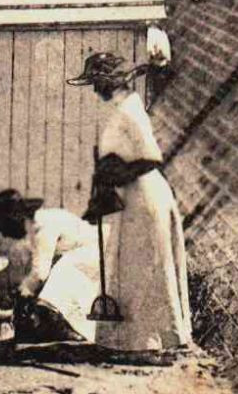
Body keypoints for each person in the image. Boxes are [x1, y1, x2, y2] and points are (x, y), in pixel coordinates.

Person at [69, 52, 191, 352]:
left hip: (145, 193)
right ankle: (130, 340)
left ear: (111, 82)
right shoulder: (122, 107)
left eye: (98, 83)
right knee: (131, 264)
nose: (96, 90)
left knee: (146, 264)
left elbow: (150, 158)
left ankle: (152, 340)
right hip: (133, 196)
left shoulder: (130, 111)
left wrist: (115, 174)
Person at [0, 188, 100, 342]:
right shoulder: (37, 224)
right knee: (53, 281)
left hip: (96, 254)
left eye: (4, 228)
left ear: (16, 219)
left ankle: (71, 329)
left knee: (58, 276)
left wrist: (23, 292)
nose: (5, 234)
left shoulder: (44, 228)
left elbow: (40, 273)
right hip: (84, 257)